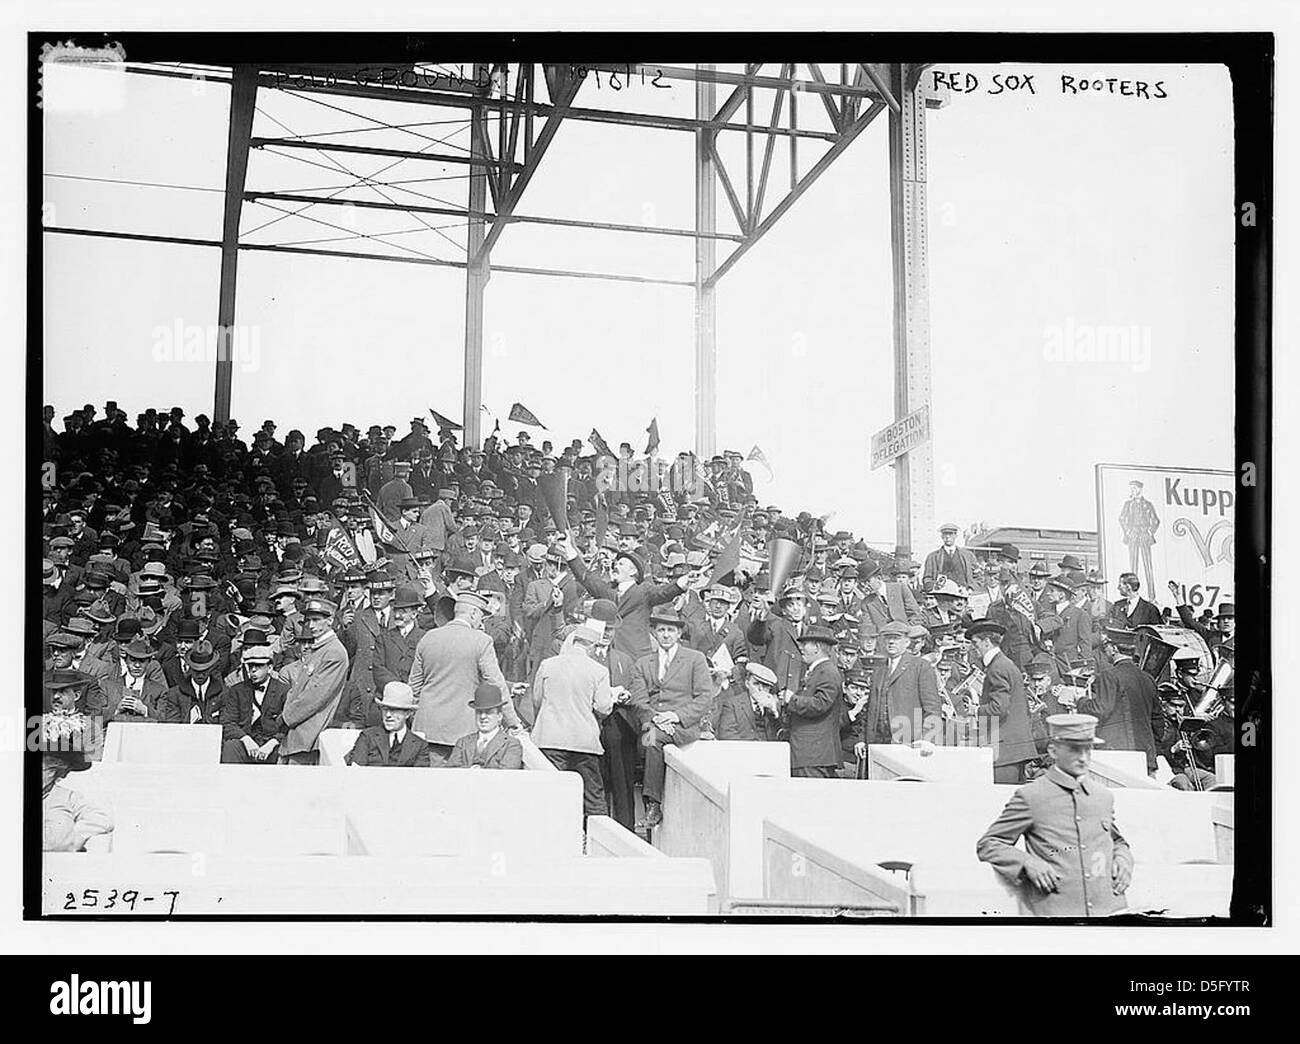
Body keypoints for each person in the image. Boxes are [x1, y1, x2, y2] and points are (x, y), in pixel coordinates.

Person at [977, 713, 1134, 917]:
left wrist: (1123, 858)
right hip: (1057, 913)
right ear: (1053, 750)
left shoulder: (1102, 796)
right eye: (1074, 749)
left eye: (1088, 749)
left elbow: (1117, 841)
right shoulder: (1031, 796)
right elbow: (989, 844)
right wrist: (1027, 862)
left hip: (1109, 910)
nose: (1083, 757)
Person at [408, 590, 520, 764]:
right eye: (481, 618)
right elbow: (496, 685)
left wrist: (415, 719)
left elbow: (413, 688)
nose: (481, 624)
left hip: (425, 729)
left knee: (428, 785)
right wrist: (512, 722)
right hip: (462, 733)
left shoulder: (428, 638)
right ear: (474, 613)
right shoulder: (481, 641)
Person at [628, 605, 713, 829]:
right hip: (652, 725)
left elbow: (705, 697)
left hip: (683, 725)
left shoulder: (695, 659)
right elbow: (638, 700)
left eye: (671, 630)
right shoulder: (642, 663)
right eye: (662, 630)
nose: (666, 635)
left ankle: (653, 805)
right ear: (655, 632)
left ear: (679, 634)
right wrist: (656, 718)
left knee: (653, 741)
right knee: (650, 740)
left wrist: (675, 716)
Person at [530, 624, 616, 819]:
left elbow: (537, 700)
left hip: (549, 738)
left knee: (550, 795)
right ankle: (595, 840)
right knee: (592, 796)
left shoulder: (548, 664)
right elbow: (603, 708)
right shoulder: (599, 670)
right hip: (584, 742)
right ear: (592, 647)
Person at [1078, 631, 1164, 774]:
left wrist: (1080, 700)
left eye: (1106, 647)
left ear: (1114, 649)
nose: (1105, 651)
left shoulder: (1110, 676)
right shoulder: (1148, 678)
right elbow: (1158, 722)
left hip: (1116, 755)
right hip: (1145, 756)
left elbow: (1099, 710)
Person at [279, 597, 350, 765]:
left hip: (309, 735)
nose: (311, 625)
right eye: (309, 620)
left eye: (317, 620)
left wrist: (286, 718)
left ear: (330, 621)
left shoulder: (334, 652)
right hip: (299, 732)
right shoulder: (320, 649)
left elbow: (314, 696)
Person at [965, 620, 1038, 783]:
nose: (973, 648)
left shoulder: (997, 667)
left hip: (1004, 750)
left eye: (975, 643)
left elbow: (999, 708)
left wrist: (974, 710)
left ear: (986, 642)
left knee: (999, 800)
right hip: (1014, 747)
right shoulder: (1005, 664)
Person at [778, 623, 844, 778]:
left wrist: (791, 699)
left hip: (813, 755)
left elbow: (820, 704)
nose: (801, 648)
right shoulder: (818, 671)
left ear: (817, 647)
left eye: (805, 644)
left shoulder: (828, 672)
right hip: (808, 754)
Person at [39, 714, 113, 852]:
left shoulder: (68, 797)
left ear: (58, 773)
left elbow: (103, 819)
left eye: (44, 769)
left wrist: (74, 838)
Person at [862, 621, 942, 748]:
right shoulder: (879, 669)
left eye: (896, 638)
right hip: (877, 742)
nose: (891, 642)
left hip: (909, 741)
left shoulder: (920, 666)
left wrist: (926, 739)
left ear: (907, 642)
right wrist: (862, 739)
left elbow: (932, 707)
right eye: (888, 638)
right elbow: (869, 709)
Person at [219, 642, 287, 763]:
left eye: (259, 666)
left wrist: (272, 743)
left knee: (283, 752)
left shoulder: (283, 691)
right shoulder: (237, 690)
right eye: (250, 666)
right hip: (246, 742)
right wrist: (245, 739)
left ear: (270, 668)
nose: (253, 670)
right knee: (230, 747)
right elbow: (227, 722)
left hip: (272, 744)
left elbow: (288, 724)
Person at [345, 682, 433, 767]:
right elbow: (355, 773)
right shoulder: (367, 737)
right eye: (385, 709)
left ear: (407, 714)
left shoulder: (420, 745)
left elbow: (420, 778)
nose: (388, 715)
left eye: (394, 710)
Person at [446, 682, 525, 769]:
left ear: (499, 716)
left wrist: (478, 772)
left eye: (488, 712)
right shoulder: (463, 743)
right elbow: (451, 772)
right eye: (479, 712)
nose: (483, 717)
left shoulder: (511, 744)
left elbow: (507, 774)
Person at [715, 661, 781, 741]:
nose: (760, 689)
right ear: (747, 684)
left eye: (765, 686)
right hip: (742, 751)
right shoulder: (732, 704)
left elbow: (782, 735)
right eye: (756, 684)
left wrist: (774, 712)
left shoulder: (774, 707)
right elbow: (726, 735)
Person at [1119, 479, 1160, 594]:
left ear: (1140, 489)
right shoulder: (1128, 504)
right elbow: (1121, 518)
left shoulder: (1147, 504)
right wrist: (1128, 531)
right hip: (1133, 535)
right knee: (1133, 567)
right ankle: (1133, 595)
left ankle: (1152, 595)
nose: (1132, 490)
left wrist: (1149, 531)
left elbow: (1156, 520)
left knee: (1148, 566)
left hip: (1144, 534)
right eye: (1131, 488)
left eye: (1134, 488)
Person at [922, 522, 978, 589]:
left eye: (951, 534)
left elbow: (978, 576)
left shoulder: (968, 556)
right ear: (941, 536)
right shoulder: (932, 557)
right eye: (945, 534)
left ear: (956, 535)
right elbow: (927, 578)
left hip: (963, 595)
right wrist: (935, 587)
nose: (948, 537)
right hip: (941, 596)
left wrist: (971, 589)